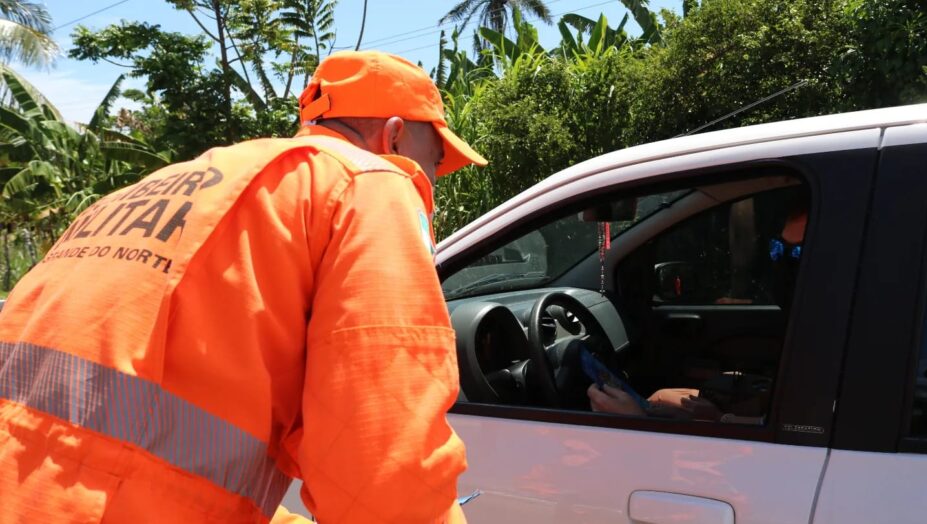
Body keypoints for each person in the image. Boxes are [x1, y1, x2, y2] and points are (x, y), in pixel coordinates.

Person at [0, 50, 487, 523]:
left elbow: (134, 435)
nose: (432, 182)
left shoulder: (161, 188)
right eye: (435, 160)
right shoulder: (370, 183)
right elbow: (386, 477)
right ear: (396, 139)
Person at [589, 194, 809, 421]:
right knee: (660, 399)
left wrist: (636, 422)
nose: (783, 262)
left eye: (798, 253)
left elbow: (797, 430)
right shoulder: (814, 320)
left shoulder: (831, 335)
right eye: (777, 249)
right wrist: (717, 415)